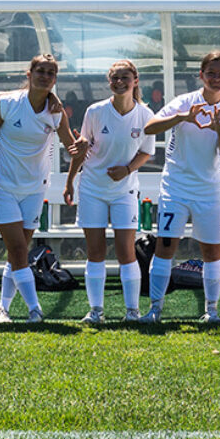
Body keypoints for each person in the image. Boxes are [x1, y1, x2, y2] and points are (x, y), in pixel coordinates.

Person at [0, 54, 81, 324]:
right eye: (40, 71)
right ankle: (35, 309)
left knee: (18, 251)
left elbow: (72, 148)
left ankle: (2, 308)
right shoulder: (9, 103)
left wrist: (77, 158)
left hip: (35, 189)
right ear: (29, 73)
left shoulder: (55, 111)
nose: (45, 76)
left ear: (55, 79)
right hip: (2, 186)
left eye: (50, 73)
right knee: (18, 249)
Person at [141, 51, 220, 323]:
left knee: (211, 251)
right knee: (165, 247)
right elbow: (150, 127)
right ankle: (155, 309)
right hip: (176, 188)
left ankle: (212, 311)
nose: (216, 79)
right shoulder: (185, 102)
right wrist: (183, 117)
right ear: (201, 75)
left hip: (209, 191)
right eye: (211, 73)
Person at [64, 60, 156, 324]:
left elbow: (146, 152)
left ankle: (132, 312)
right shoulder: (95, 111)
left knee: (126, 251)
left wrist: (126, 170)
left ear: (135, 80)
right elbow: (82, 149)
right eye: (114, 78)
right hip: (92, 188)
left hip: (124, 191)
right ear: (109, 81)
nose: (119, 82)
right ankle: (96, 312)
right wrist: (70, 180)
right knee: (95, 252)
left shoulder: (145, 115)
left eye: (124, 77)